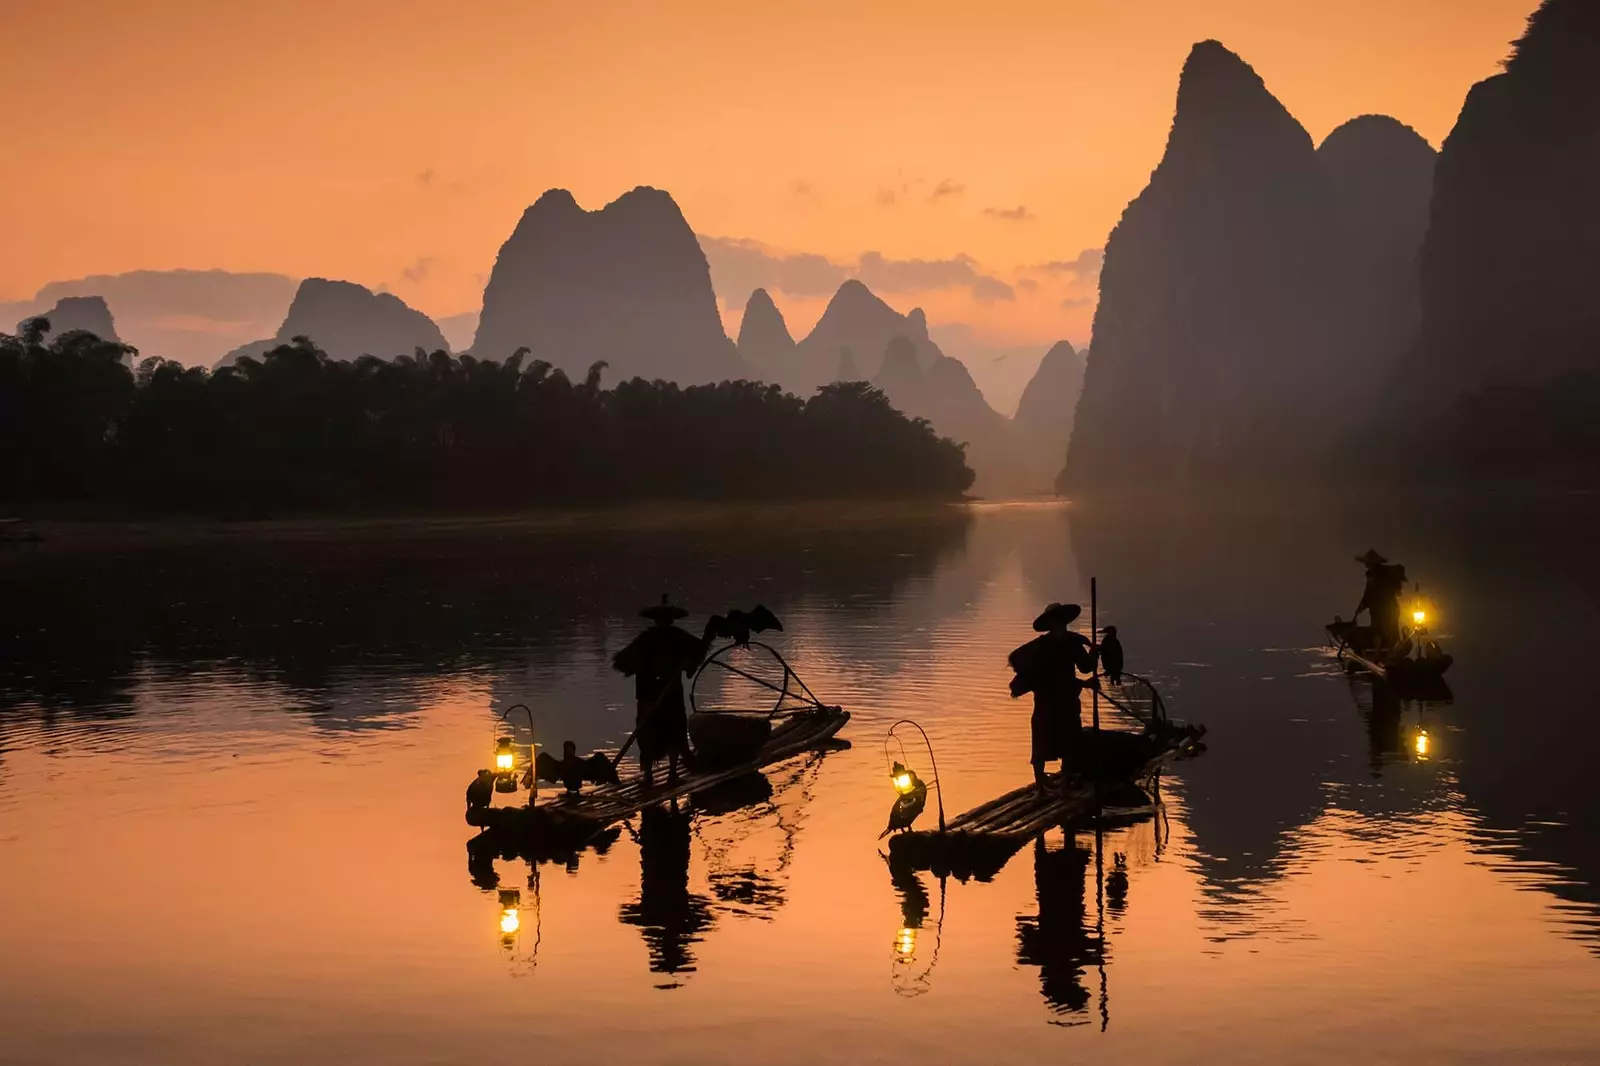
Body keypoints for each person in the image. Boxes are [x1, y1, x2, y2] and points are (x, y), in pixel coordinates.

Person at [612, 594, 709, 787]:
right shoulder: (645, 639)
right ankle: (648, 776)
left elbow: (699, 651)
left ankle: (672, 774)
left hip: (671, 695)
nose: (663, 621)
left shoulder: (679, 637)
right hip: (648, 696)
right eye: (661, 618)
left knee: (675, 733)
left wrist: (686, 663)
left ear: (671, 620)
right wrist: (642, 666)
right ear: (656, 620)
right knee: (647, 734)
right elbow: (622, 662)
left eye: (667, 618)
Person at [1009, 602, 1097, 791]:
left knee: (1068, 740)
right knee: (1044, 741)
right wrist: (1091, 662)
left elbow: (1085, 667)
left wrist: (1093, 654)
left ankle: (1062, 783)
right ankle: (1042, 787)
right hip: (1049, 699)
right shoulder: (1044, 646)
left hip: (1062, 700)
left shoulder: (1069, 643)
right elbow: (1085, 668)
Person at [1354, 550, 1407, 651]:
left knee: (1380, 629)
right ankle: (1390, 648)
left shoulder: (1374, 576)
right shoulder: (1385, 574)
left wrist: (1360, 608)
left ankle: (1383, 651)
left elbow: (1368, 596)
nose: (1366, 565)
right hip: (1392, 608)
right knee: (1390, 628)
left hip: (1381, 609)